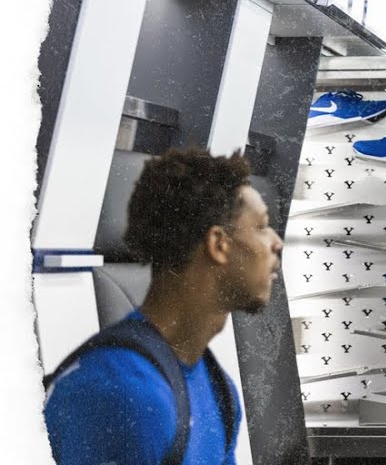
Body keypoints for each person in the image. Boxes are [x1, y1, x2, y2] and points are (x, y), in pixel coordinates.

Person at [44, 148, 282, 464]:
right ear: (218, 244)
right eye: (262, 226)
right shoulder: (122, 391)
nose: (277, 242)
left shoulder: (220, 392)